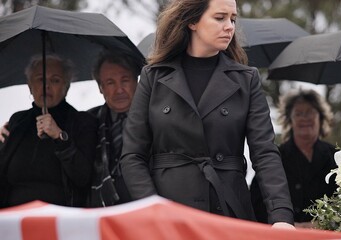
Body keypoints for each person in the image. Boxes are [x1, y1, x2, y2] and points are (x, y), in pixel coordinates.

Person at [120, 0, 294, 228]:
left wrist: (281, 216)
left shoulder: (246, 79)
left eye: (233, 19)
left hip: (228, 210)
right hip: (167, 214)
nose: (230, 26)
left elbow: (265, 154)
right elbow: (132, 156)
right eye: (220, 18)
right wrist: (153, 208)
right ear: (192, 21)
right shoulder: (153, 77)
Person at [0, 54, 98, 208]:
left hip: (60, 220)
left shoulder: (82, 122)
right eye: (40, 79)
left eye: (55, 80)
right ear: (29, 86)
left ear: (66, 86)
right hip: (14, 219)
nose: (46, 86)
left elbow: (83, 177)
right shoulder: (18, 121)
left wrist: (60, 137)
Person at [250, 89, 338, 226]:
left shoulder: (336, 156)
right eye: (298, 114)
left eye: (310, 112)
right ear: (289, 120)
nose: (304, 118)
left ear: (321, 118)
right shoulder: (274, 158)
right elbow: (257, 201)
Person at [87, 51, 140, 207]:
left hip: (150, 205)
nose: (119, 90)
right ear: (100, 87)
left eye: (125, 80)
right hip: (105, 209)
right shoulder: (89, 121)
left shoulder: (157, 116)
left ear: (137, 81)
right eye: (110, 83)